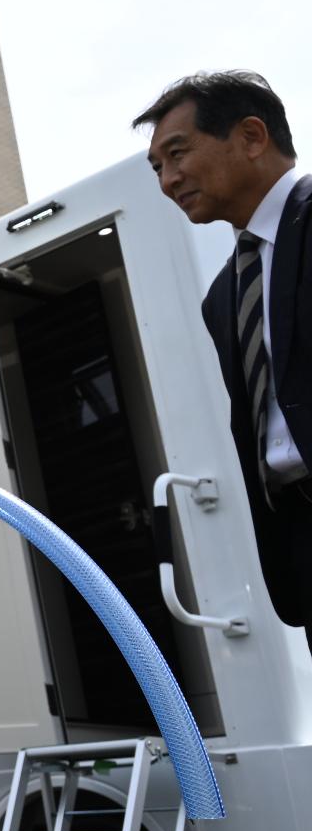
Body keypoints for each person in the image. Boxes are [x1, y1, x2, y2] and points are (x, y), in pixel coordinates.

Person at [134, 71, 312, 647]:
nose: (167, 180)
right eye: (157, 167)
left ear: (252, 136)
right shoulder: (223, 295)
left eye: (176, 154)